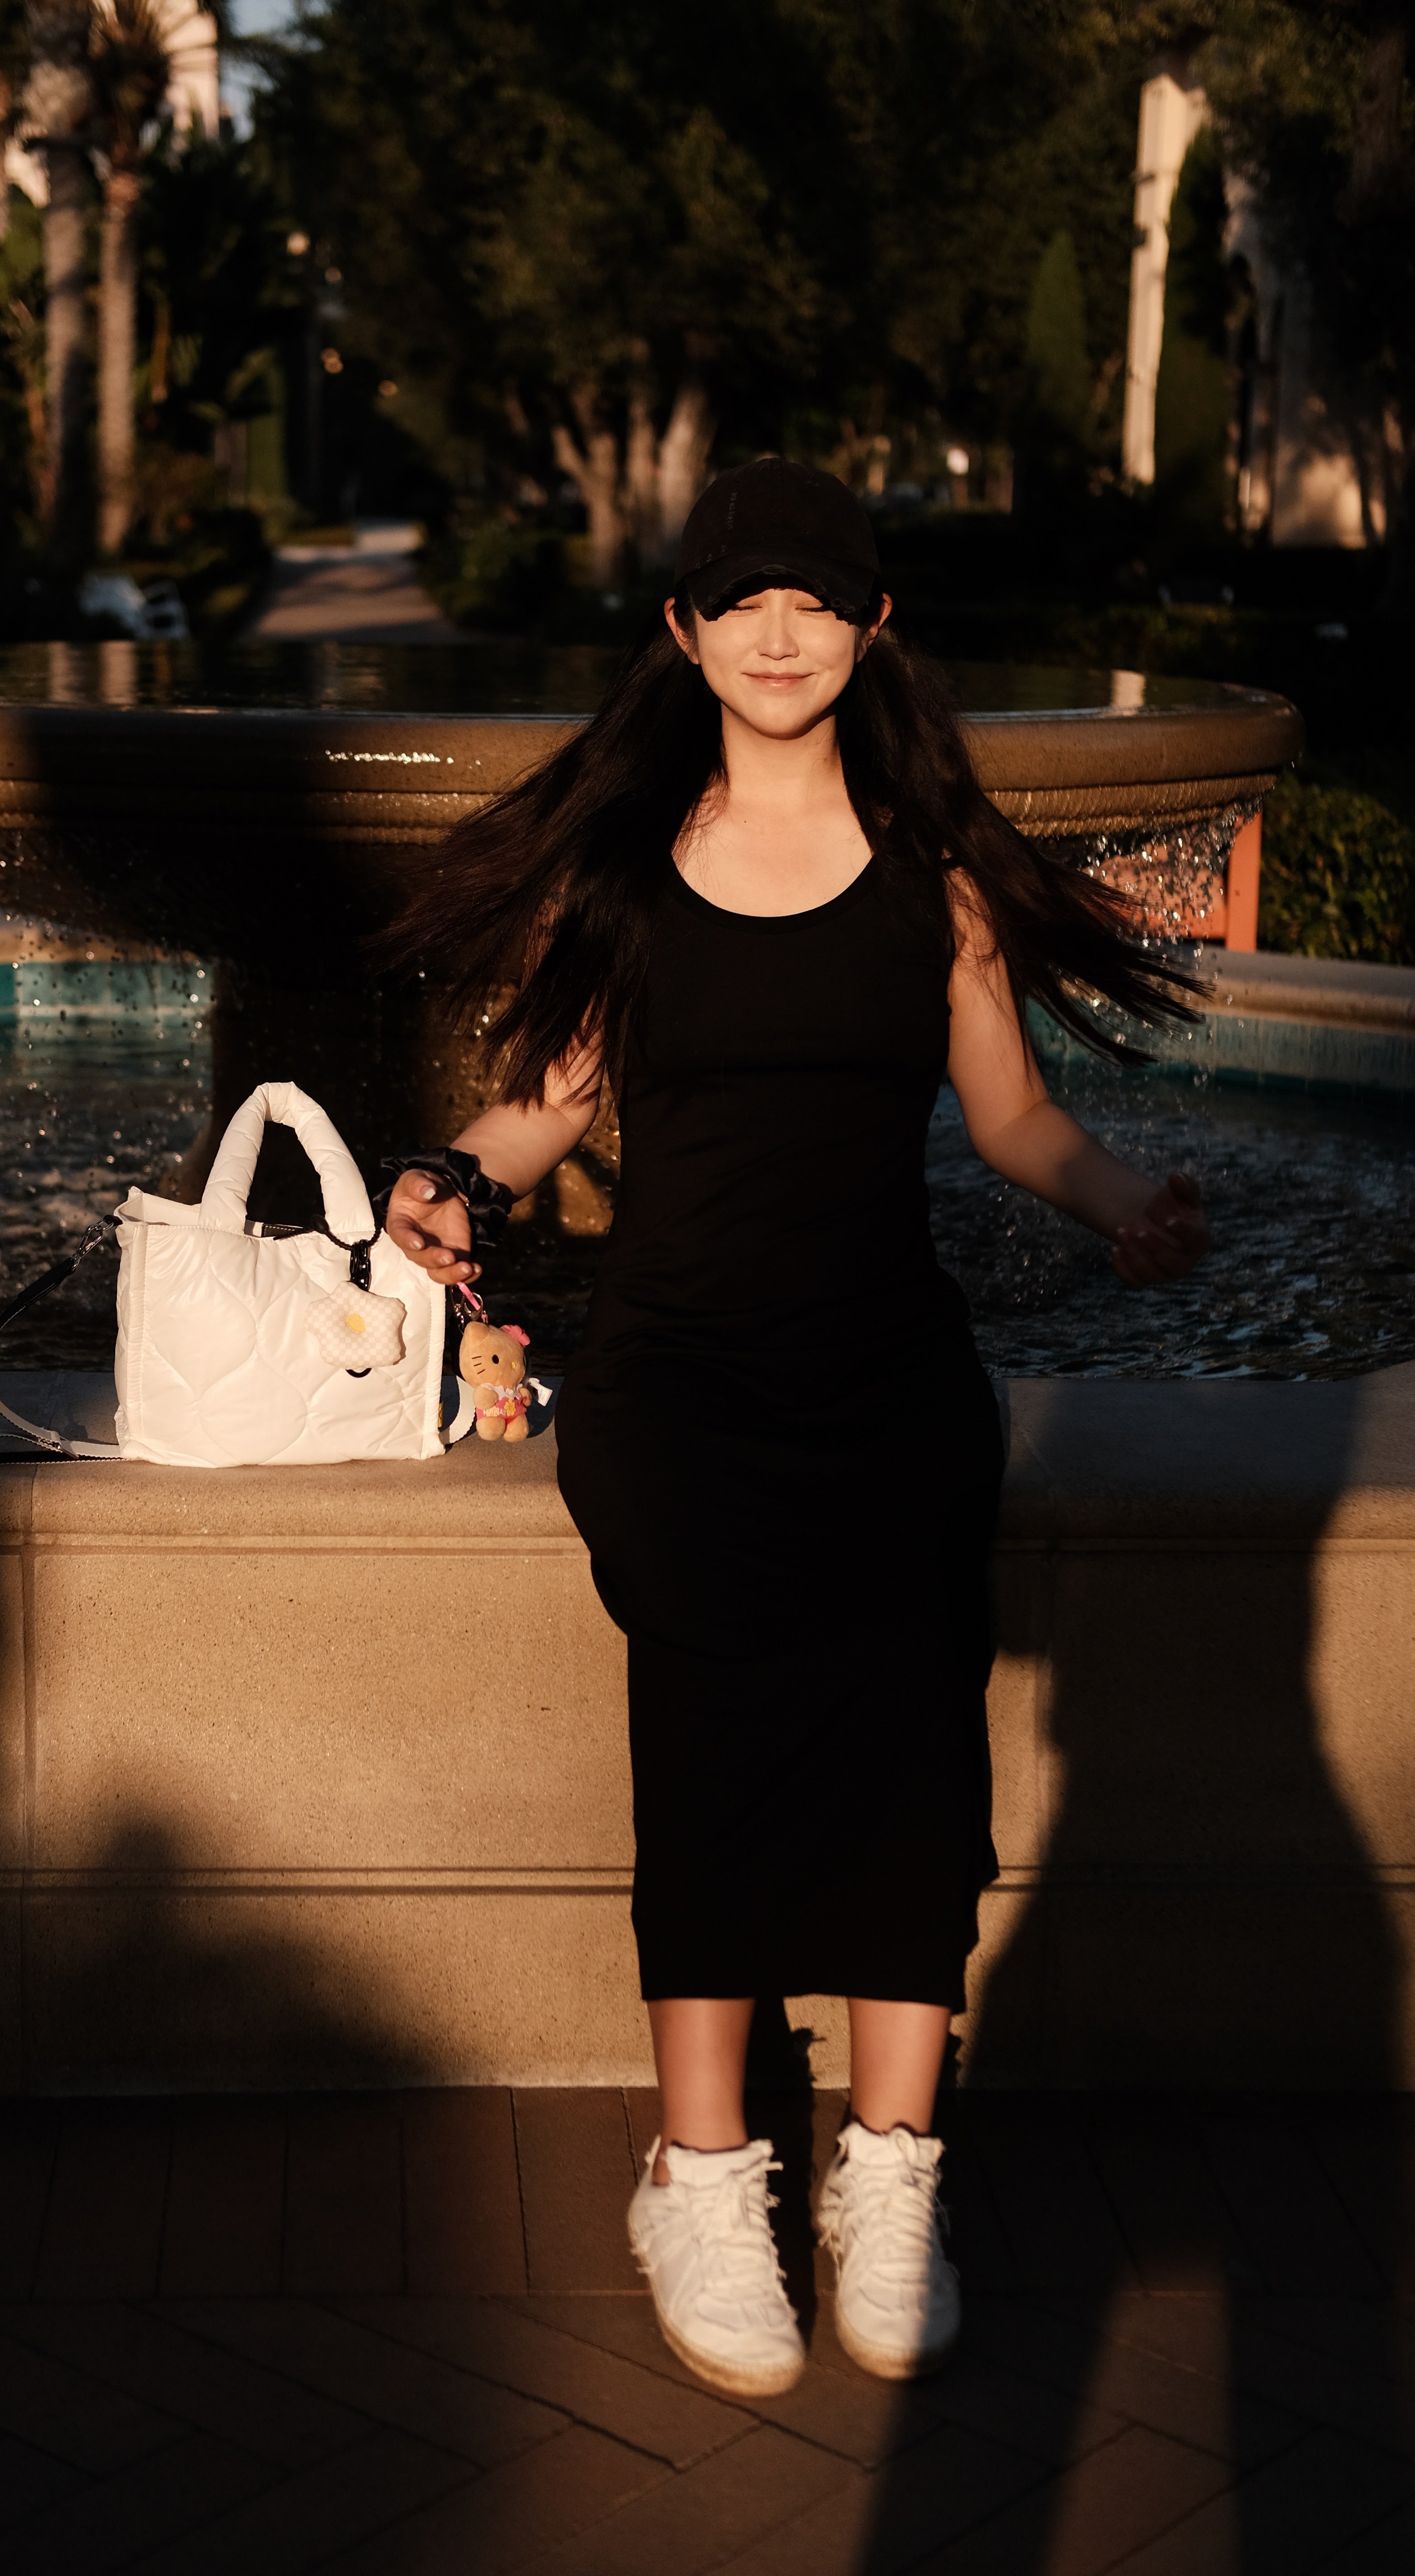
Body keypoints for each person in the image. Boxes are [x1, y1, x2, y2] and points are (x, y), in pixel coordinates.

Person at [381, 459, 1209, 2397]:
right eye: (739, 597)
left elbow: (1007, 1120)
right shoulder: (624, 869)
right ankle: (702, 2167)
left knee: (916, 1744)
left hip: (884, 1367)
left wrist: (1117, 1205)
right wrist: (450, 1181)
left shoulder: (932, 872)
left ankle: (895, 2171)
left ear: (871, 629)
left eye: (814, 599)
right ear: (679, 629)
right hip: (675, 1375)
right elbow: (544, 1106)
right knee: (723, 1728)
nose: (776, 630)